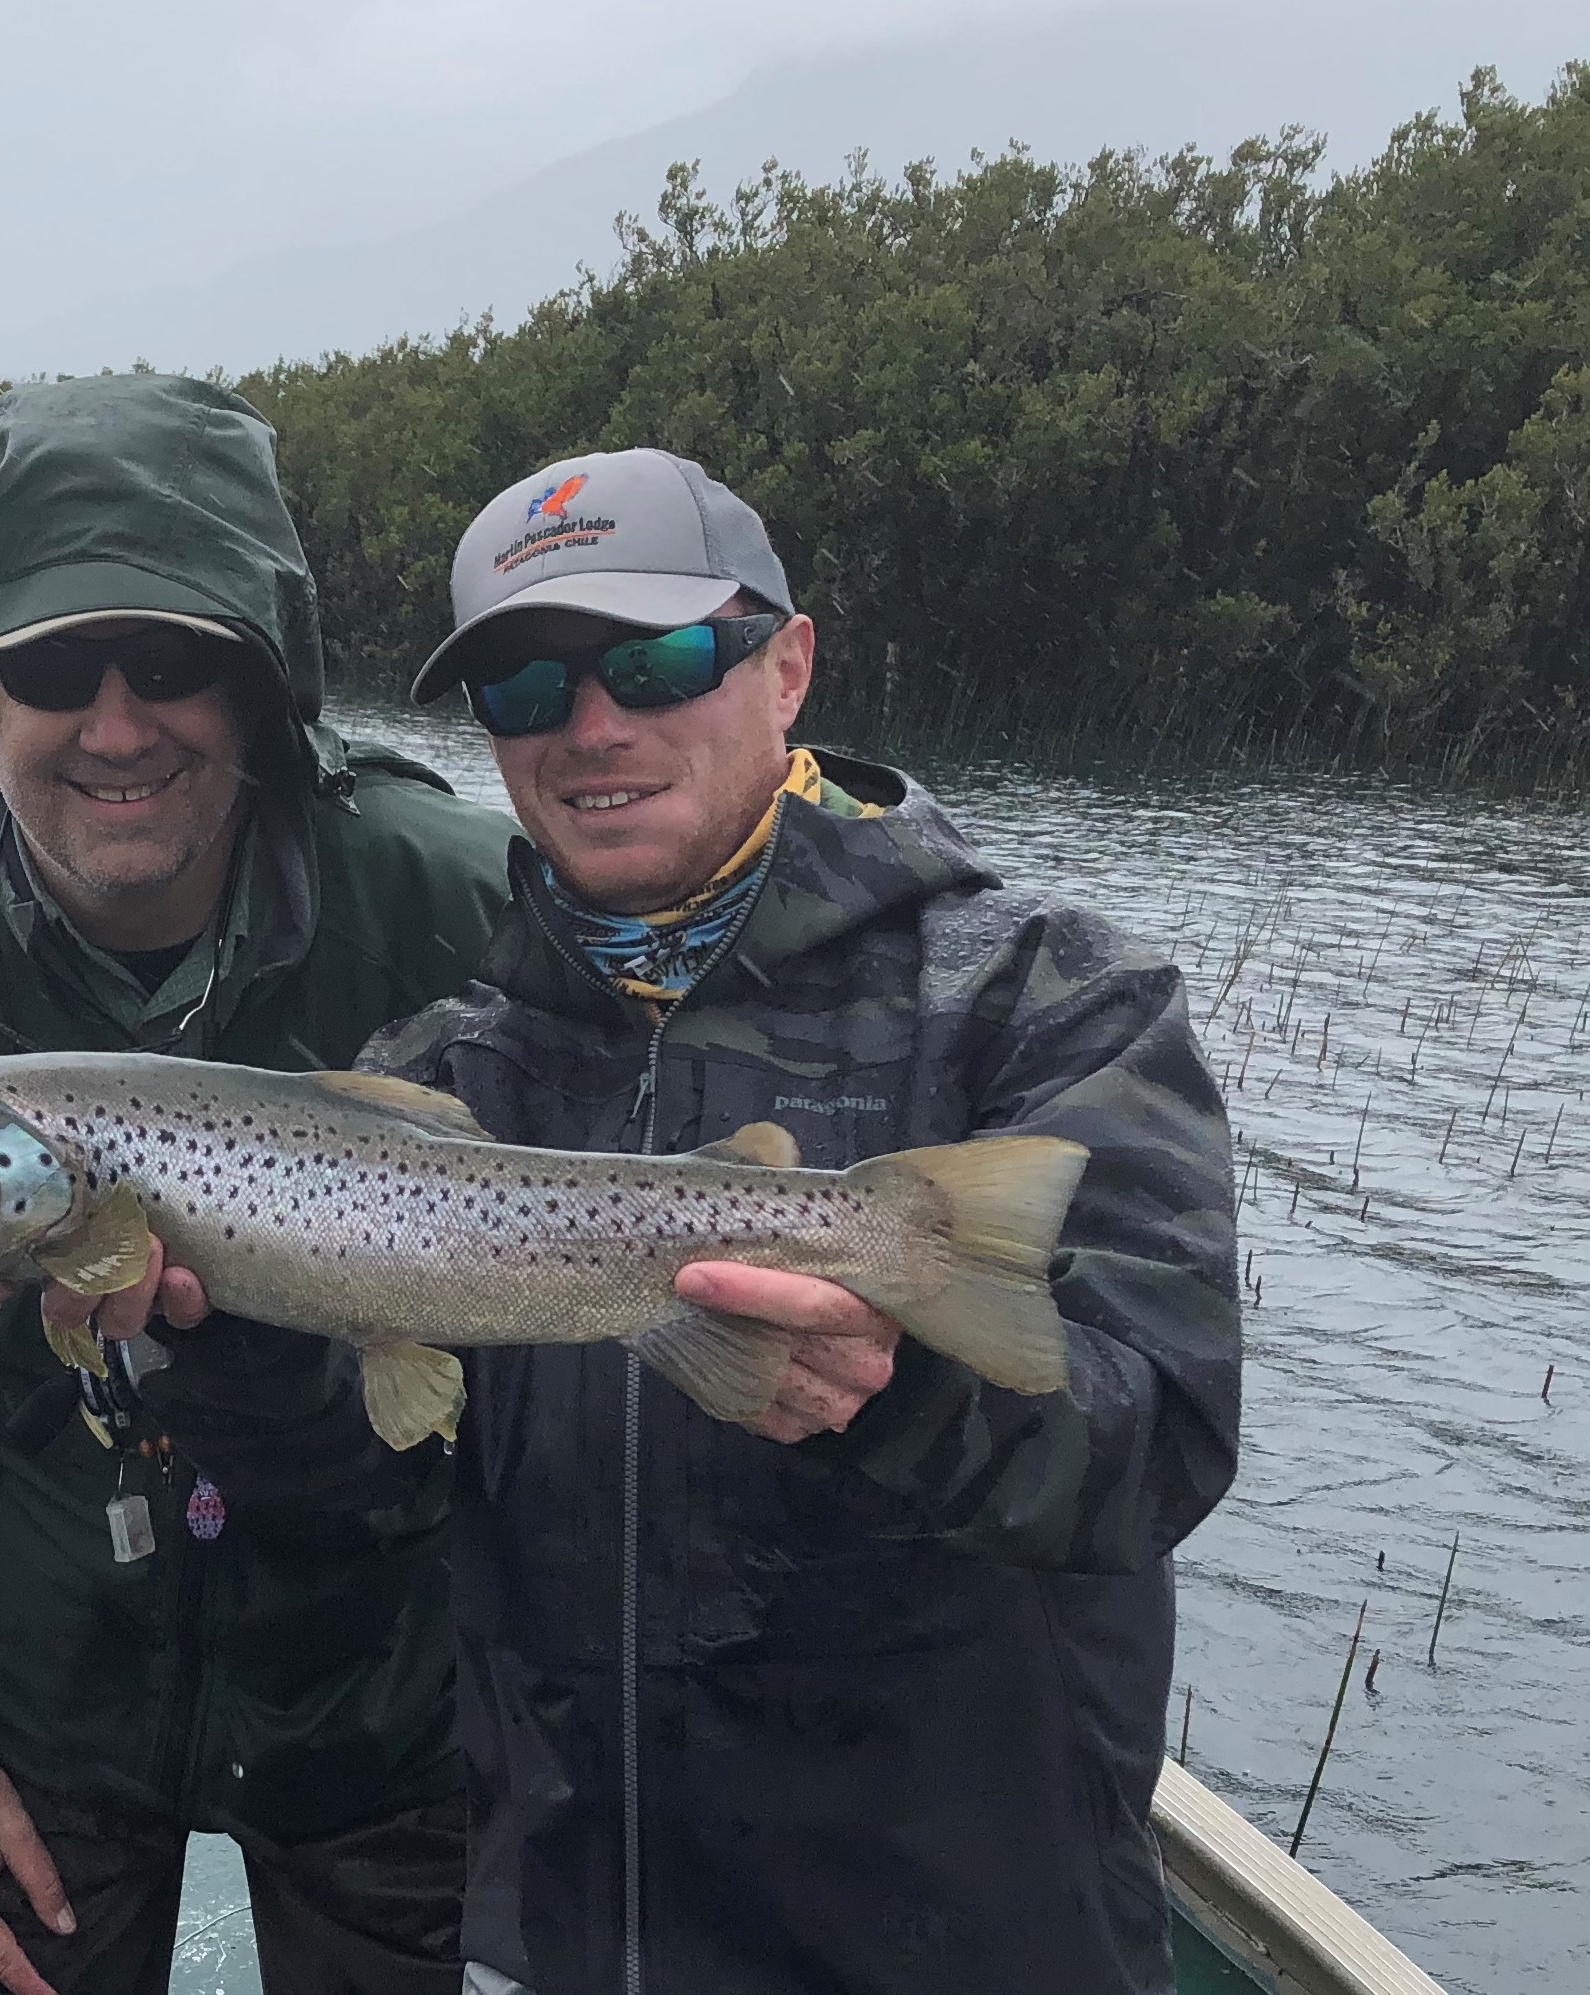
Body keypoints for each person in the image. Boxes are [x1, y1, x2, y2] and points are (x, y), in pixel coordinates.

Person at [353, 447, 1244, 1994]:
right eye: (524, 688)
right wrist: (190, 1338)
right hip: (565, 1945)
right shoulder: (439, 1075)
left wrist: (907, 1394)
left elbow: (1156, 1445)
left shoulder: (1049, 1002)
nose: (594, 726)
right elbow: (355, 1512)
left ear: (788, 665)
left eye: (655, 658)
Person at [0, 374, 513, 1995]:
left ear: (263, 680)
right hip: (31, 1698)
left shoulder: (463, 898)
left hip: (396, 1688)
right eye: (54, 665)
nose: (119, 722)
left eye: (177, 661)